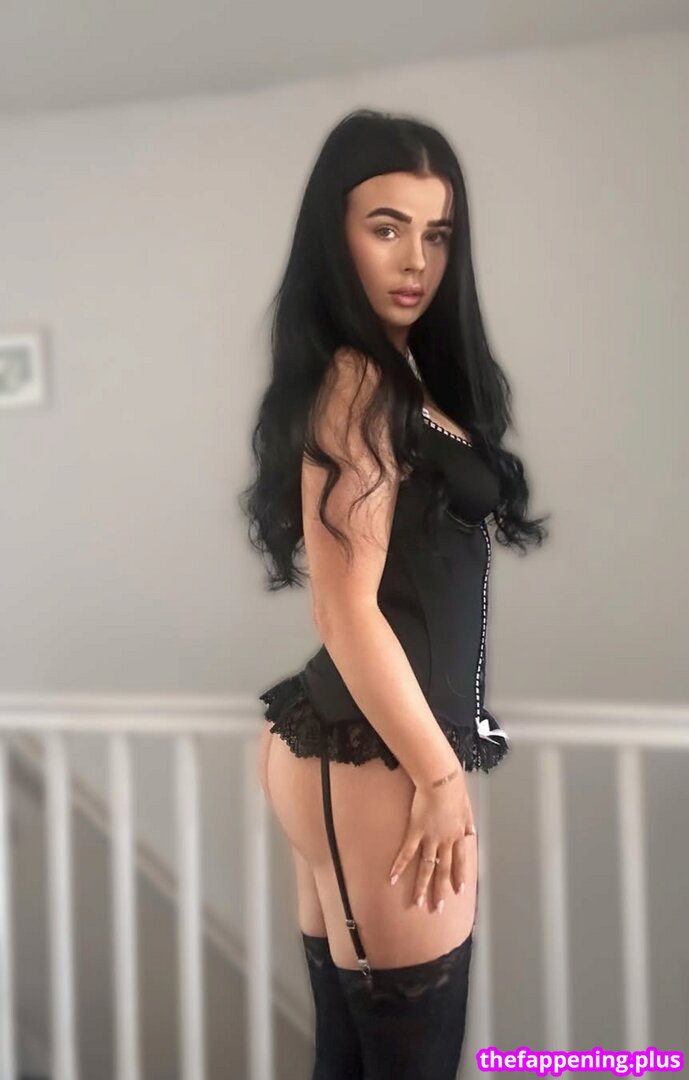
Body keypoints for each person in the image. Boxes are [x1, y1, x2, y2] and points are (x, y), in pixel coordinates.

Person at [239, 108, 549, 1079]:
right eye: (386, 227)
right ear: (335, 235)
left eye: (436, 233)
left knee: (353, 1056)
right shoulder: (360, 385)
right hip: (378, 760)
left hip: (358, 747)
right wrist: (441, 779)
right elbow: (343, 607)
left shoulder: (387, 378)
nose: (416, 259)